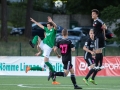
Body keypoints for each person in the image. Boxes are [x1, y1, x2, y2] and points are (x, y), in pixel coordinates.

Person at [26, 16, 60, 84]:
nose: (47, 27)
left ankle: (29, 68)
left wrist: (52, 21)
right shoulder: (47, 30)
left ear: (51, 26)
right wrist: (34, 21)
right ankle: (33, 43)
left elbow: (56, 26)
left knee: (44, 67)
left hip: (47, 48)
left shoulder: (53, 31)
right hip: (44, 46)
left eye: (48, 26)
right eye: (47, 26)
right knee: (36, 36)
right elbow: (40, 25)